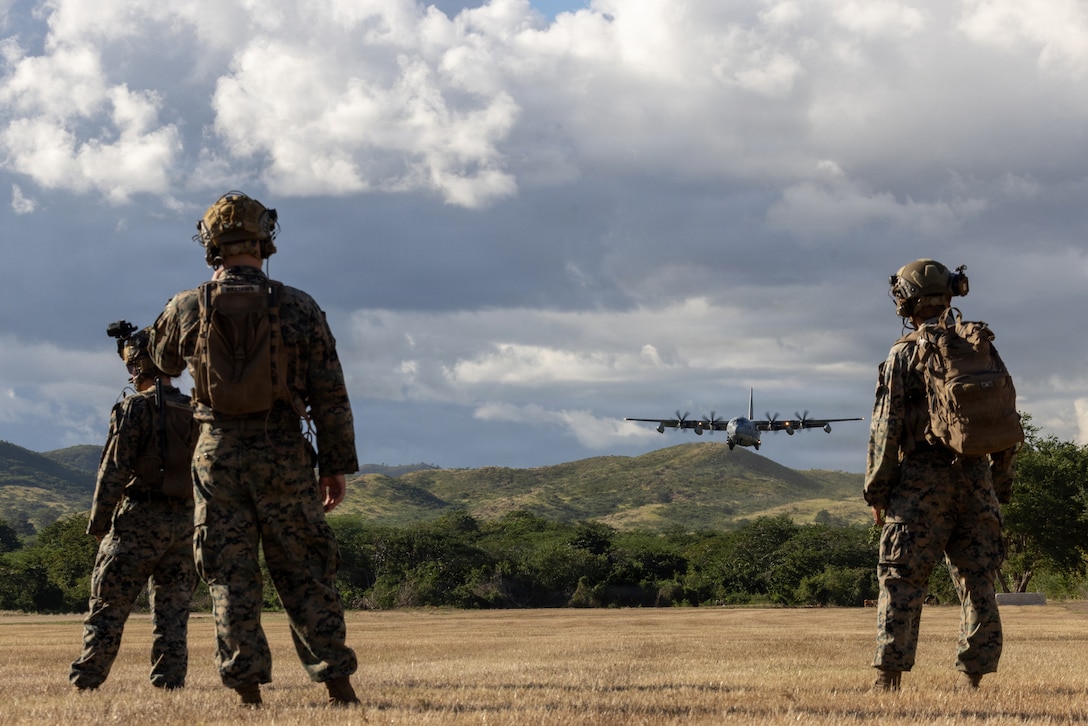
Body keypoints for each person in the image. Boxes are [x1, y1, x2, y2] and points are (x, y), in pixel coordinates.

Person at [148, 191, 360, 707]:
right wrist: (334, 466)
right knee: (305, 568)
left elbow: (161, 363)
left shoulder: (186, 305)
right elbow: (330, 393)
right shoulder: (299, 306)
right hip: (284, 451)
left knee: (228, 571)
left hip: (217, 454)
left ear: (211, 245)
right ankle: (336, 682)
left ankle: (245, 689)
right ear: (265, 241)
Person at [864, 259, 1016, 692]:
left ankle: (888, 679)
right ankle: (973, 680)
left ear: (905, 299)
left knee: (900, 579)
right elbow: (1005, 419)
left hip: (921, 482)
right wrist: (999, 484)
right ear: (951, 293)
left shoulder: (903, 353)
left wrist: (878, 492)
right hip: (977, 481)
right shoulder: (979, 346)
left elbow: (886, 427)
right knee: (978, 581)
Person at [70, 325, 197, 691]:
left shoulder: (134, 407)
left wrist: (99, 522)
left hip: (138, 520)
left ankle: (87, 681)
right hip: (185, 524)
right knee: (173, 616)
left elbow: (113, 469)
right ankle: (169, 684)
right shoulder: (192, 409)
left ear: (138, 365)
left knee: (108, 608)